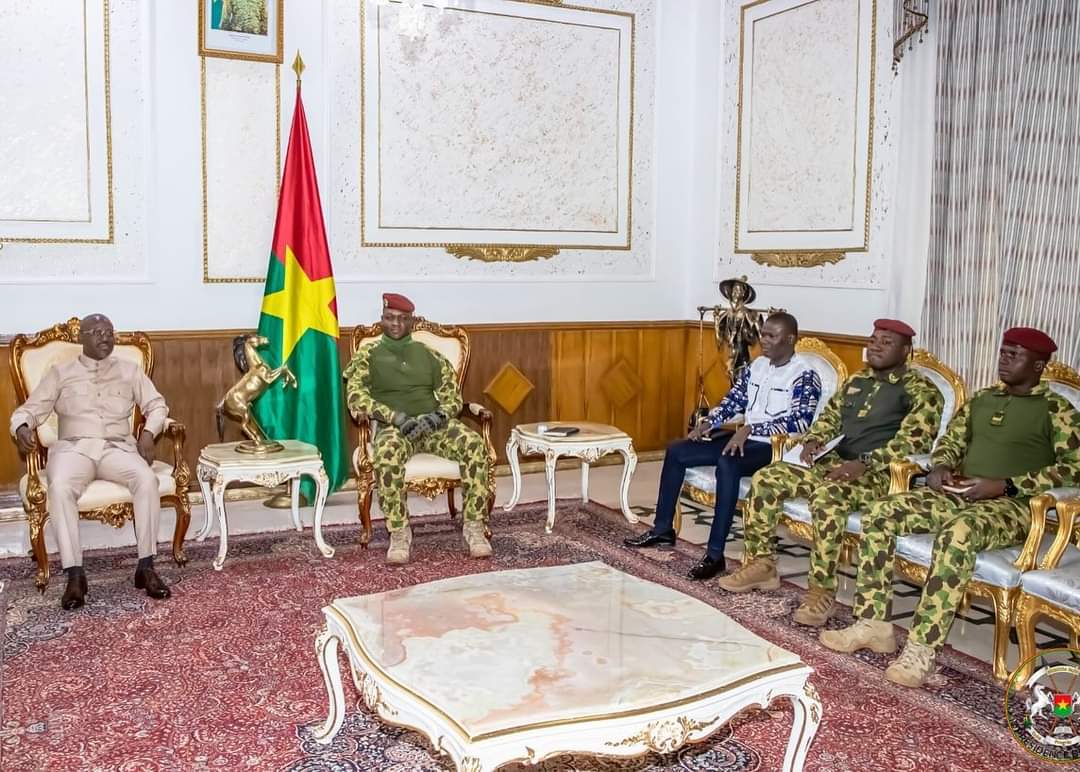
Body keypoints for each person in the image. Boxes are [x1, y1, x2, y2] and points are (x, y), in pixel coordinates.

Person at [821, 327, 1080, 687]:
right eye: (1003, 352)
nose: (1004, 359)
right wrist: (940, 467)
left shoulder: (1057, 410)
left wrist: (1007, 484)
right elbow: (949, 443)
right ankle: (873, 623)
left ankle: (922, 649)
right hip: (957, 491)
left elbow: (1073, 467)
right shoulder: (982, 399)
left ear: (1038, 365)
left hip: (1010, 506)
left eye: (1014, 355)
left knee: (957, 534)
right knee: (881, 513)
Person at [718, 319, 944, 629]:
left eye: (885, 342)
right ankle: (762, 564)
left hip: (876, 475)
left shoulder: (922, 391)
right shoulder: (858, 380)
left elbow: (913, 443)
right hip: (832, 461)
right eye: (873, 339)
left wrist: (864, 462)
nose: (875, 346)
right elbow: (829, 418)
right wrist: (813, 441)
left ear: (906, 350)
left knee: (827, 498)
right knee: (768, 479)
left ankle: (821, 590)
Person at [624, 312, 822, 580]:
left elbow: (800, 421)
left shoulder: (805, 375)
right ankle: (662, 530)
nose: (763, 340)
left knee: (727, 462)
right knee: (677, 450)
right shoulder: (758, 366)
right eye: (763, 334)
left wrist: (752, 429)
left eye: (771, 336)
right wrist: (707, 423)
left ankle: (715, 555)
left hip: (774, 448)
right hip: (743, 439)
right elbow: (733, 403)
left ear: (789, 339)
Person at [10, 314, 172, 610]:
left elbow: (157, 405)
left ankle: (146, 566)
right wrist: (21, 426)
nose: (105, 337)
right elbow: (31, 409)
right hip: (74, 449)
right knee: (59, 487)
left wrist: (149, 432)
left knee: (147, 480)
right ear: (82, 338)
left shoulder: (130, 370)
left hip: (117, 448)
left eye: (109, 332)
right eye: (96, 332)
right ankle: (75, 575)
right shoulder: (61, 371)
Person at [343, 293, 493, 565]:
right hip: (394, 428)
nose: (396, 324)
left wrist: (436, 417)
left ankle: (474, 527)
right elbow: (356, 398)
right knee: (386, 454)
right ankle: (399, 533)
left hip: (432, 424)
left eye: (402, 319)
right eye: (390, 318)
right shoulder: (368, 355)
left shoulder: (429, 355)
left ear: (411, 321)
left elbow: (453, 397)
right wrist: (396, 417)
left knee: (474, 445)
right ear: (382, 319)